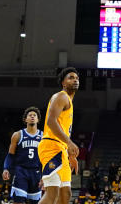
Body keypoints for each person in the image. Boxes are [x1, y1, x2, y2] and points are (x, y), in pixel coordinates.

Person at [36, 68, 80, 204]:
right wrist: (70, 143)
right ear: (63, 83)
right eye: (71, 78)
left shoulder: (69, 102)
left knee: (65, 194)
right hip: (51, 146)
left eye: (77, 78)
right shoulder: (61, 96)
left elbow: (62, 129)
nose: (75, 80)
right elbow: (51, 121)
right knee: (52, 193)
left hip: (61, 149)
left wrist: (70, 154)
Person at [3, 107, 44, 203]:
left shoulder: (43, 136)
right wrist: (6, 168)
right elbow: (10, 155)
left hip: (36, 173)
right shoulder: (17, 135)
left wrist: (45, 176)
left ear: (38, 119)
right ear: (25, 119)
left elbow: (45, 159)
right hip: (21, 171)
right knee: (19, 201)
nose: (32, 117)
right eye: (30, 115)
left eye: (35, 115)